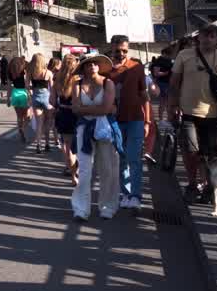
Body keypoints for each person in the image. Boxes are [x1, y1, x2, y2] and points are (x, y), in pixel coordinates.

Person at [169, 25, 217, 203]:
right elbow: (174, 83)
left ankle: (210, 187)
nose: (207, 39)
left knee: (212, 153)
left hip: (214, 114)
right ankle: (191, 184)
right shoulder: (184, 55)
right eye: (204, 35)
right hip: (188, 112)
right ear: (198, 38)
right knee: (191, 152)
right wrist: (172, 106)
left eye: (212, 36)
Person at [71, 53, 120, 221]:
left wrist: (87, 108)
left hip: (105, 129)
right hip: (84, 129)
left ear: (99, 66)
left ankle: (107, 207)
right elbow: (75, 109)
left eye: (94, 63)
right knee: (84, 171)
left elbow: (106, 109)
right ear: (83, 67)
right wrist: (101, 108)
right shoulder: (77, 84)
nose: (92, 66)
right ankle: (80, 209)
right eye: (88, 64)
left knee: (107, 169)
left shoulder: (108, 83)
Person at [108, 35, 150, 211]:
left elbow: (144, 95)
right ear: (112, 49)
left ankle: (136, 196)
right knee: (121, 159)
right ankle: (125, 194)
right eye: (118, 50)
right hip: (114, 122)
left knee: (134, 158)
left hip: (135, 120)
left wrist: (147, 121)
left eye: (124, 50)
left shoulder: (137, 67)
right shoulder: (105, 70)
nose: (121, 53)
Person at [52, 53, 80, 185]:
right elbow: (77, 100)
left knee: (68, 147)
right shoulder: (77, 79)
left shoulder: (57, 79)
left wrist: (59, 105)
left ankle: (73, 176)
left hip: (63, 114)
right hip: (76, 115)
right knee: (80, 144)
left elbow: (51, 100)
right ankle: (79, 168)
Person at [28, 53, 52, 153]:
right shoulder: (48, 72)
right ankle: (47, 144)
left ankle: (38, 145)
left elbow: (27, 86)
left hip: (36, 98)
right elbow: (52, 87)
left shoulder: (30, 73)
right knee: (48, 123)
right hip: (46, 98)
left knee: (39, 123)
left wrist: (31, 94)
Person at [150, 46, 176, 122]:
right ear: (164, 53)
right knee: (163, 102)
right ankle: (162, 119)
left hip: (168, 83)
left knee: (167, 102)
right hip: (162, 83)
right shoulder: (159, 61)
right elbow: (156, 73)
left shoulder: (169, 60)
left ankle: (167, 119)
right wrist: (166, 73)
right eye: (168, 54)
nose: (169, 56)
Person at [6, 54, 29, 139]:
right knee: (27, 115)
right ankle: (23, 129)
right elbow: (27, 83)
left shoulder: (10, 72)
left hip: (15, 93)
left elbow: (9, 86)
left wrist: (8, 99)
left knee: (19, 116)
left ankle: (20, 127)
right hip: (24, 92)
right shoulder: (24, 70)